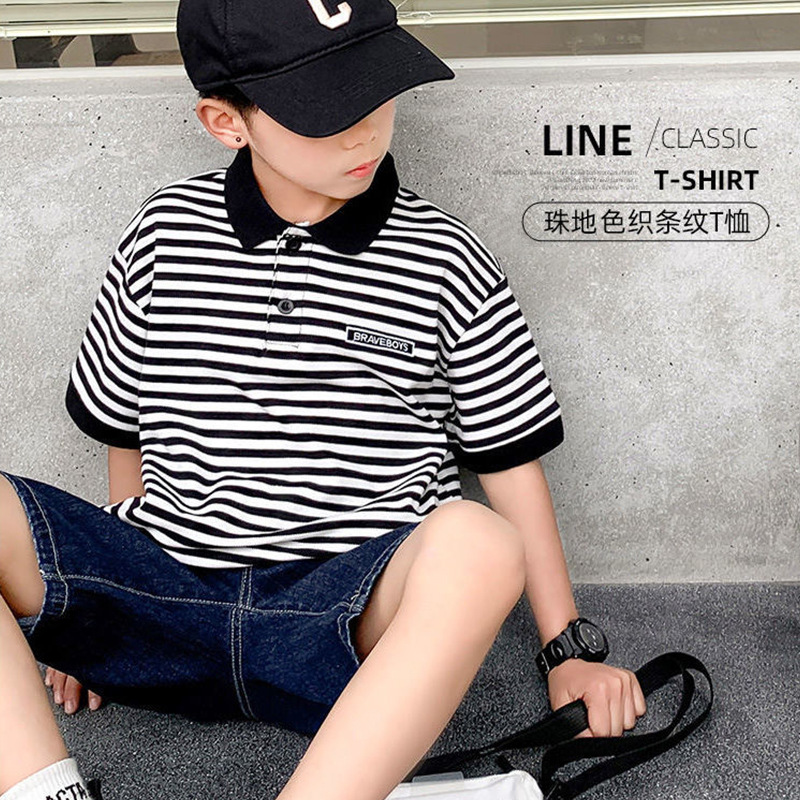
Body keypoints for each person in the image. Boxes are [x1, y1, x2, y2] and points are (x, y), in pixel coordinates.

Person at [0, 0, 647, 799]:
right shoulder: (162, 232)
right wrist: (91, 617)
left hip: (339, 623)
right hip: (166, 595)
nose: (363, 133)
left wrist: (566, 652)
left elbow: (511, 465)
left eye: (375, 94)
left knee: (481, 543)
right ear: (226, 122)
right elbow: (122, 429)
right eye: (323, 112)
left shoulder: (447, 258)